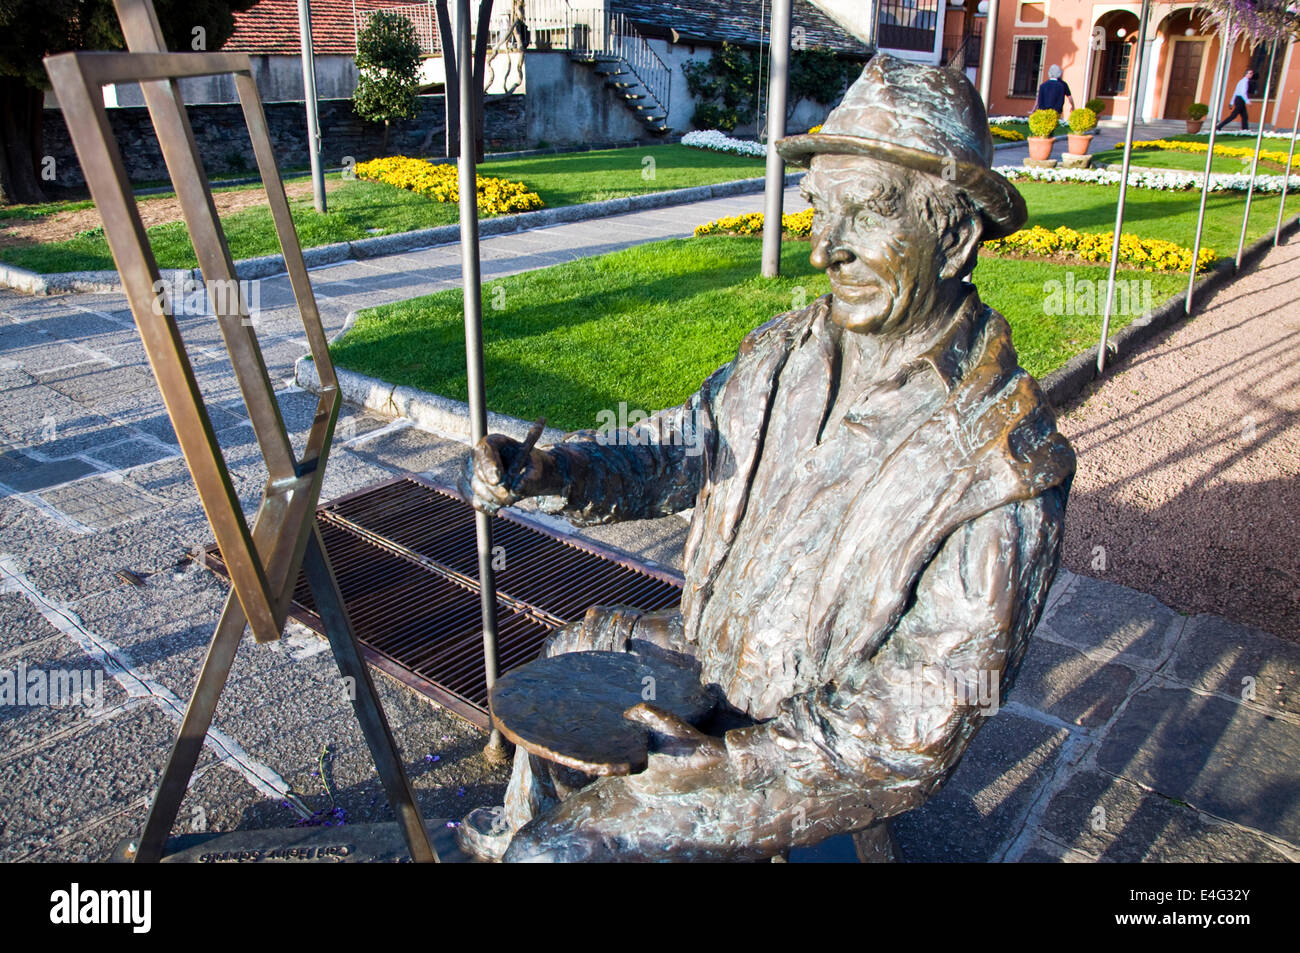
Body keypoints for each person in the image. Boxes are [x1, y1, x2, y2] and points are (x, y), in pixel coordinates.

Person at [458, 54, 1076, 863]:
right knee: (569, 657)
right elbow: (678, 451)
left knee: (561, 853)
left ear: (954, 235)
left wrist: (734, 767)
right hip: (702, 655)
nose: (825, 250)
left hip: (799, 740)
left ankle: (539, 845)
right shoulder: (783, 354)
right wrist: (553, 471)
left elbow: (913, 722)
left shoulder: (1001, 462)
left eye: (866, 215)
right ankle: (522, 827)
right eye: (821, 210)